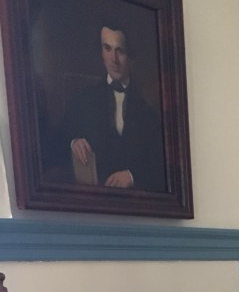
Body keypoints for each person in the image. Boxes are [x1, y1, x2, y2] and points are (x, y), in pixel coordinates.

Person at [47, 21, 165, 192]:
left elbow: (162, 168)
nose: (114, 59)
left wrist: (132, 176)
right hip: (90, 202)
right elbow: (53, 147)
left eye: (120, 51)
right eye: (107, 49)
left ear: (131, 57)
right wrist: (73, 142)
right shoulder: (82, 101)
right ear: (101, 53)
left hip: (134, 203)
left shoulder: (149, 113)